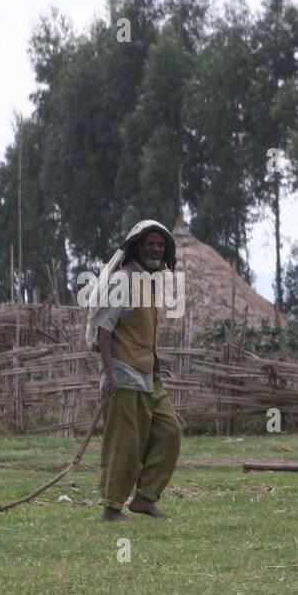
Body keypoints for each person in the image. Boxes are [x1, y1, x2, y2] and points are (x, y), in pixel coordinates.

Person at [84, 220, 182, 521]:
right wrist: (110, 376)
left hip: (149, 375)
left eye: (160, 245)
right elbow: (103, 330)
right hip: (124, 374)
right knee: (125, 443)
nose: (155, 249)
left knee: (170, 431)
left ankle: (145, 498)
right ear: (138, 246)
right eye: (150, 244)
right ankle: (112, 507)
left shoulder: (149, 282)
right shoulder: (123, 280)